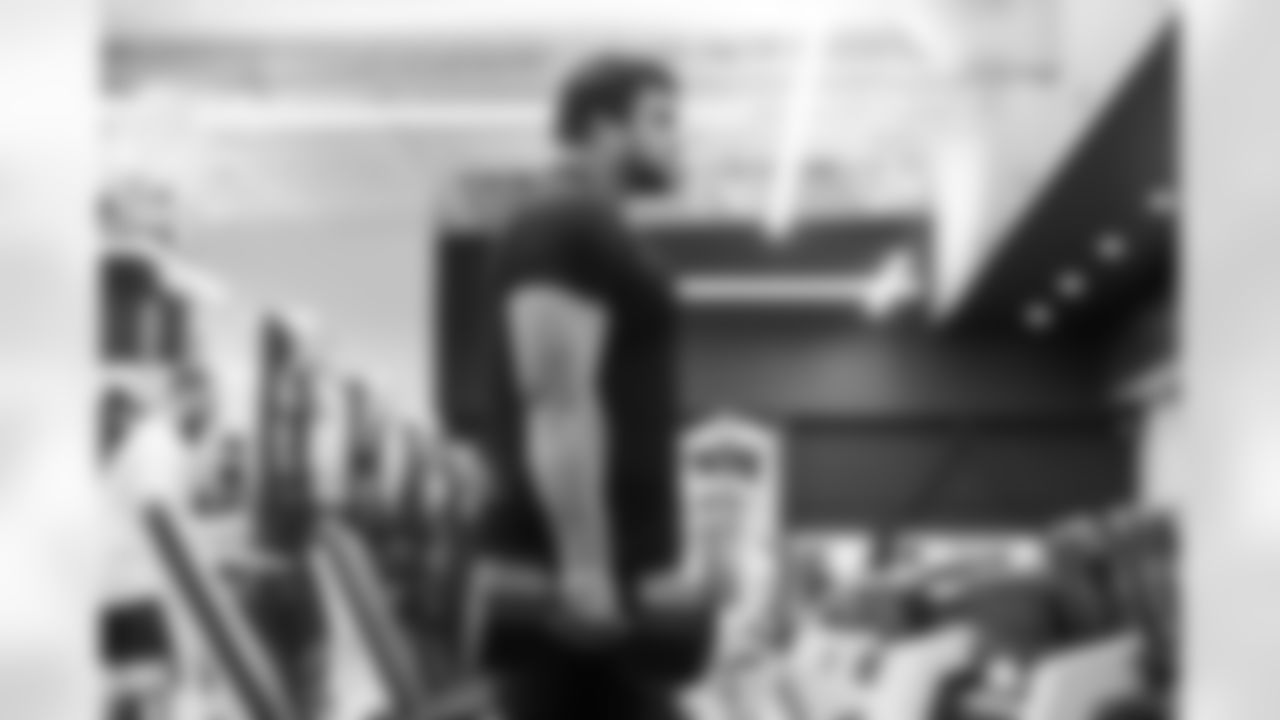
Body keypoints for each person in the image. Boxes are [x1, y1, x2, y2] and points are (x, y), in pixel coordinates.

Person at [479, 54, 708, 720]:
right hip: (579, 599)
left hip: (613, 588)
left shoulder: (593, 228)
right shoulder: (564, 222)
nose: (677, 138)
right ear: (604, 127)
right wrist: (586, 568)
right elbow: (555, 396)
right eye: (660, 120)